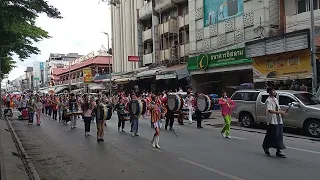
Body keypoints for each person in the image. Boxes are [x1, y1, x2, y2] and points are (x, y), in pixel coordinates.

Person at [262, 87, 287, 158]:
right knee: (271, 135)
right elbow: (270, 111)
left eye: (274, 90)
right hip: (272, 120)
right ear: (269, 92)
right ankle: (266, 146)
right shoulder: (268, 101)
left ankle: (278, 151)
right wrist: (279, 112)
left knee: (279, 136)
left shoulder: (276, 99)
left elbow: (278, 108)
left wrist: (282, 112)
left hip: (278, 120)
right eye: (273, 90)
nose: (274, 91)